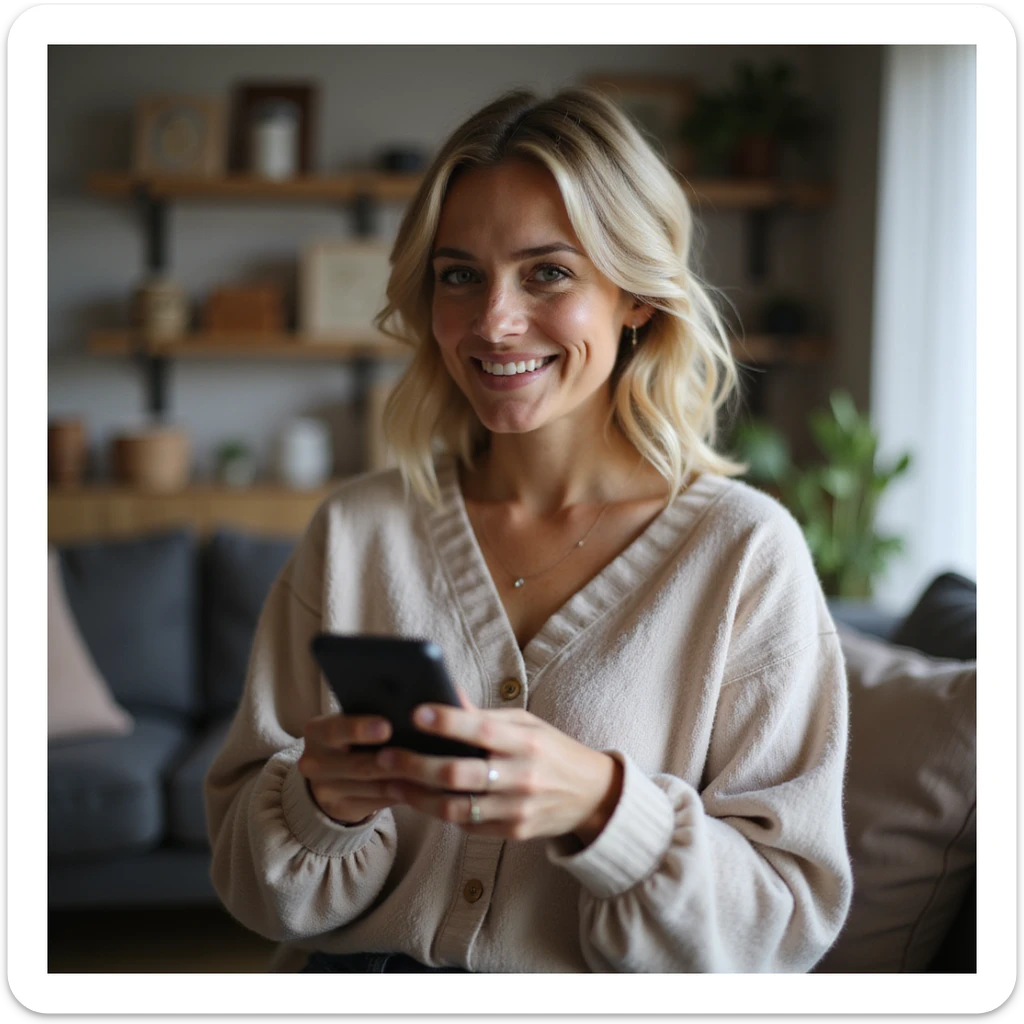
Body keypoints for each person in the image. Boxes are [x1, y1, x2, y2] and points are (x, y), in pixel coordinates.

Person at [203, 86, 853, 974]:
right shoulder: (357, 532)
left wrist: (603, 808)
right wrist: (321, 803)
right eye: (459, 274)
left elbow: (783, 922)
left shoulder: (745, 554)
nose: (493, 323)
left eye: (548, 272)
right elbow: (244, 875)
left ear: (635, 296)